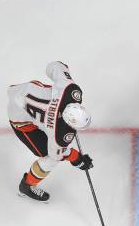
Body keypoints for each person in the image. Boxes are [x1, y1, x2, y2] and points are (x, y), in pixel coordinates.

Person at [7, 61, 93, 203]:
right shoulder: (59, 135)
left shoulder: (70, 90)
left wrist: (64, 68)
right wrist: (78, 159)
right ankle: (26, 186)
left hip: (22, 90)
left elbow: (54, 66)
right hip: (19, 117)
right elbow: (57, 154)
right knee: (47, 156)